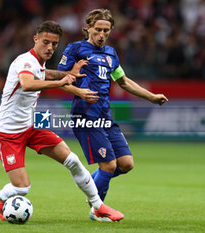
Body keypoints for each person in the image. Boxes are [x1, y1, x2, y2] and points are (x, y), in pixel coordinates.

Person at [0, 20, 124, 222]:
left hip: (32, 125)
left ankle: (98, 207)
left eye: (54, 44)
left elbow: (45, 73)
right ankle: (0, 197)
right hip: (7, 132)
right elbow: (27, 84)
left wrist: (69, 74)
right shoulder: (24, 61)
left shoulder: (38, 64)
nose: (50, 47)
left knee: (73, 161)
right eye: (45, 42)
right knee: (22, 188)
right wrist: (60, 82)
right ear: (35, 39)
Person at [58, 9, 168, 221]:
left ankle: (90, 183)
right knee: (108, 165)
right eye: (97, 30)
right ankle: (98, 210)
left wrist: (151, 97)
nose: (101, 34)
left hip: (105, 117)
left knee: (126, 164)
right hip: (85, 117)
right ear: (88, 28)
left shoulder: (110, 53)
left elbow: (124, 82)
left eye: (106, 31)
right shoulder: (75, 49)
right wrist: (79, 91)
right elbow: (61, 80)